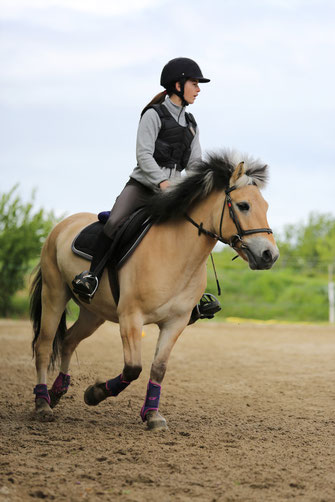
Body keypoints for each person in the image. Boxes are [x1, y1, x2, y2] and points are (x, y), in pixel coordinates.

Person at [72, 57, 221, 323]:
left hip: (175, 192)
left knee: (196, 231)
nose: (198, 89)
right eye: (194, 83)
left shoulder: (191, 124)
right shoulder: (153, 115)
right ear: (178, 84)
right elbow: (144, 156)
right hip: (143, 186)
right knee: (115, 221)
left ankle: (194, 299)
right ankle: (92, 276)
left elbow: (195, 163)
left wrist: (200, 189)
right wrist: (162, 183)